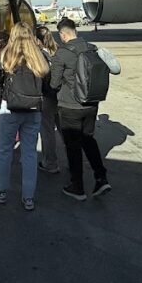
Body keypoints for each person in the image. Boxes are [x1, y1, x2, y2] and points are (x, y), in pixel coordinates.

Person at [50, 17, 117, 200]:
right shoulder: (92, 48)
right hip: (91, 103)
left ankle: (77, 186)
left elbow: (54, 83)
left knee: (73, 146)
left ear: (63, 34)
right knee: (88, 139)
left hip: (70, 106)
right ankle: (101, 177)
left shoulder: (61, 54)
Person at [0, 22, 48, 210]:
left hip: (9, 108)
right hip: (33, 108)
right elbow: (47, 82)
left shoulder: (6, 54)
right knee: (29, 153)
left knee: (4, 150)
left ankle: (1, 190)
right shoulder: (39, 56)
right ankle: (28, 197)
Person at [34, 24, 62, 174]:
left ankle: (50, 162)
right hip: (61, 95)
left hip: (47, 96)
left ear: (38, 40)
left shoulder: (40, 54)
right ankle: (73, 157)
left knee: (47, 130)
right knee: (64, 128)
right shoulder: (57, 50)